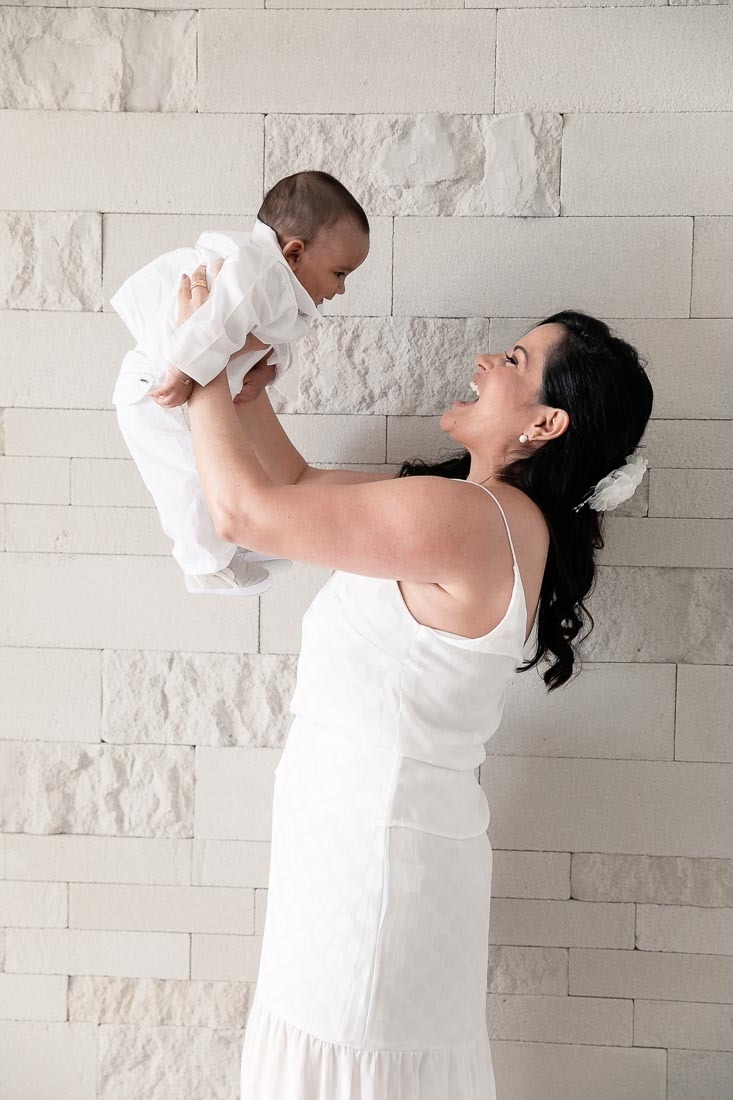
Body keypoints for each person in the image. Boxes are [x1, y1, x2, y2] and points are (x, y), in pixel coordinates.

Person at [179, 268, 654, 1098]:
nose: (484, 361)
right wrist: (242, 390)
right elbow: (292, 488)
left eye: (514, 359)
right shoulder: (471, 509)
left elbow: (244, 514)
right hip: (360, 845)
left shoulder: (476, 520)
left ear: (545, 422)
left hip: (373, 860)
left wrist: (195, 365)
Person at [109, 171, 370, 596]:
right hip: (155, 391)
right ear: (295, 253)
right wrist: (181, 371)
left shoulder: (276, 285)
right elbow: (212, 322)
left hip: (176, 392)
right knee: (188, 483)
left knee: (221, 471)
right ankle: (206, 567)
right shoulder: (259, 273)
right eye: (339, 273)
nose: (341, 289)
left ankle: (233, 547)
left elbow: (269, 337)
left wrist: (267, 371)